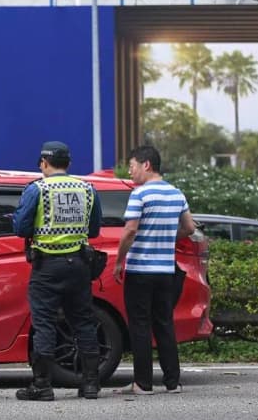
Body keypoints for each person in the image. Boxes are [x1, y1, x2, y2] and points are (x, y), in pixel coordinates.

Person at [12, 141, 103, 401]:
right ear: (69, 163)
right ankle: (90, 385)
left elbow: (20, 227)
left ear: (43, 162)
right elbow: (94, 230)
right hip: (79, 265)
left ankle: (42, 385)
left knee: (44, 324)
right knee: (84, 322)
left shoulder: (37, 190)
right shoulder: (88, 189)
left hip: (47, 266)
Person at [112, 145, 196, 395]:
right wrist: (168, 236)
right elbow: (189, 228)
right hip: (166, 271)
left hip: (140, 270)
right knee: (164, 324)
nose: (130, 171)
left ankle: (143, 383)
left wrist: (119, 260)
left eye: (132, 166)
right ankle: (172, 382)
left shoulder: (140, 195)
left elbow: (130, 230)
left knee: (140, 325)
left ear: (146, 165)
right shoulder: (176, 194)